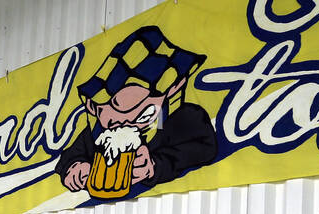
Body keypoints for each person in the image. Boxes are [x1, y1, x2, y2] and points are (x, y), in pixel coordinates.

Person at [54, 26, 216, 195]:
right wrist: (73, 168)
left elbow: (205, 147)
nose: (122, 121)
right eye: (111, 109)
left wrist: (155, 165)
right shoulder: (99, 131)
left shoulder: (180, 119)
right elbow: (70, 155)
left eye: (138, 110)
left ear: (173, 88)